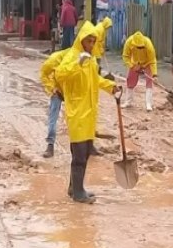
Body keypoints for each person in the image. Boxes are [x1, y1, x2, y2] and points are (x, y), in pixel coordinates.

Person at [55, 21, 120, 204]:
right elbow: (59, 74)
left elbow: (96, 80)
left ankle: (74, 187)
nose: (91, 45)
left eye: (93, 41)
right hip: (76, 114)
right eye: (88, 41)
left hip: (89, 113)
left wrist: (111, 87)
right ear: (81, 40)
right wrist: (77, 63)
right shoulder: (73, 56)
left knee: (85, 154)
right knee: (79, 155)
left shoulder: (90, 60)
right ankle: (78, 193)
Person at [39, 48, 70, 158]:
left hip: (72, 90)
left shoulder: (82, 59)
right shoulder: (54, 60)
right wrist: (53, 89)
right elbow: (43, 74)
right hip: (57, 90)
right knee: (53, 117)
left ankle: (88, 145)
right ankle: (50, 145)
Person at [121, 31, 158, 112]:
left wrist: (154, 74)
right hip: (135, 63)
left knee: (149, 82)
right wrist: (132, 66)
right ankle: (128, 102)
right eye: (138, 47)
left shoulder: (148, 44)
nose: (140, 48)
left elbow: (152, 60)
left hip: (147, 63)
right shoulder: (129, 42)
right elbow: (125, 56)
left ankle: (149, 104)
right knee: (130, 80)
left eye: (141, 47)